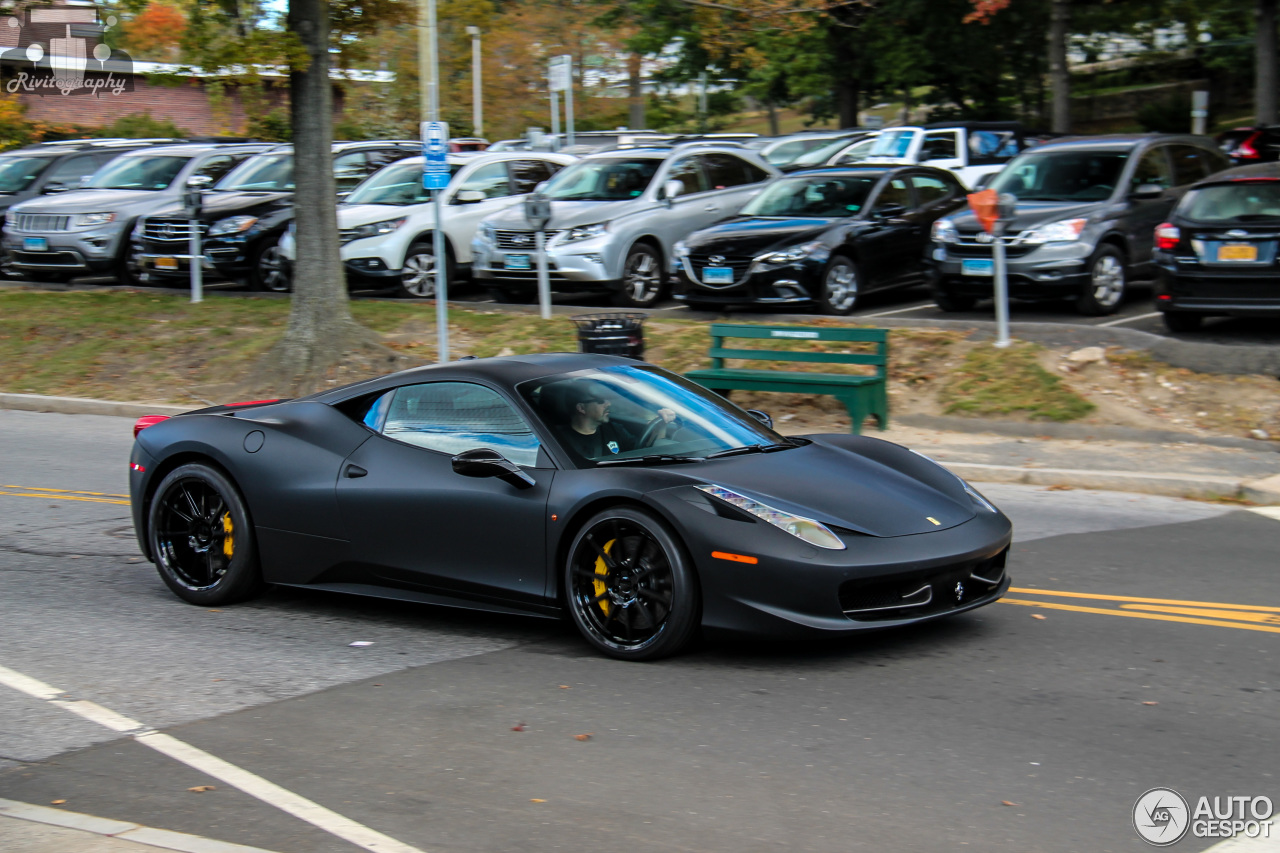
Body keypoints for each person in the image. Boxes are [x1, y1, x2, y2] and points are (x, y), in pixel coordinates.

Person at [554, 380, 676, 460]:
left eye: (608, 399)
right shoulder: (558, 440)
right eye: (601, 401)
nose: (608, 403)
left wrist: (661, 425)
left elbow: (645, 451)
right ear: (581, 408)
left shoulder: (615, 430)